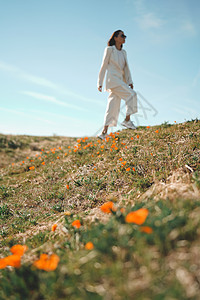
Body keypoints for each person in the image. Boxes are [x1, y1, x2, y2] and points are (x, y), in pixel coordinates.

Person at [97, 29, 138, 140]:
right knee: (132, 95)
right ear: (115, 38)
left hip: (120, 81)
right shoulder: (109, 49)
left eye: (125, 36)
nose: (124, 38)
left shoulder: (124, 52)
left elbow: (126, 68)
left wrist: (130, 81)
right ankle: (127, 121)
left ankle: (103, 133)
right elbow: (103, 66)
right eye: (122, 36)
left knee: (112, 106)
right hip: (113, 81)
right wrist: (100, 82)